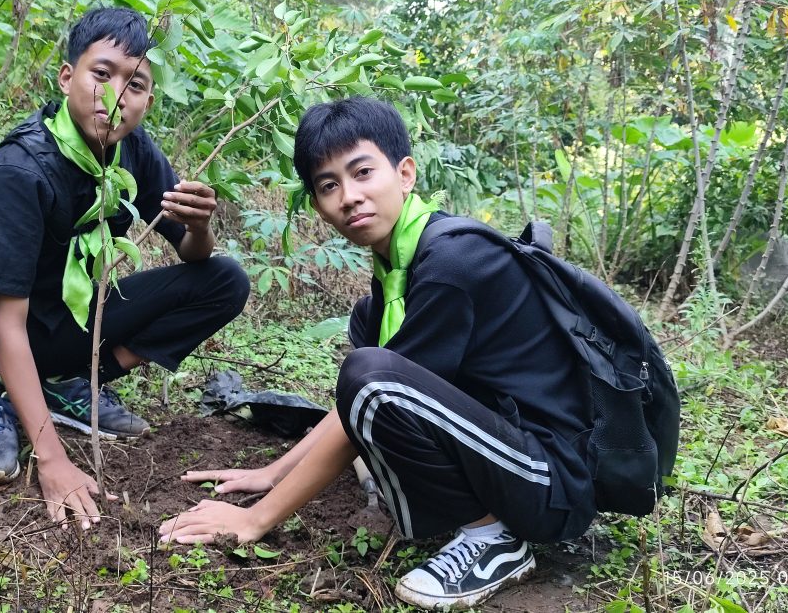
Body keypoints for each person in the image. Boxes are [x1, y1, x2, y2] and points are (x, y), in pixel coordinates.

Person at [159, 97, 596, 610]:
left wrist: (256, 518)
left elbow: (375, 393)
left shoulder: (454, 262)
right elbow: (363, 407)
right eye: (328, 185)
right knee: (369, 328)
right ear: (317, 204)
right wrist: (270, 472)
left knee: (369, 373)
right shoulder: (400, 265)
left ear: (405, 173)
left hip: (551, 484)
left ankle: (494, 541)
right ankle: (468, 512)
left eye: (363, 172)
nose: (349, 197)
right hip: (512, 452)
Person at [0, 7, 249, 528]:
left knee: (225, 278)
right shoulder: (23, 169)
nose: (117, 94)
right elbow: (6, 321)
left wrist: (199, 228)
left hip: (66, 324)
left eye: (136, 84)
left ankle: (68, 383)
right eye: (102, 74)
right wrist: (53, 460)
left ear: (148, 99)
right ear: (67, 76)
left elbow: (193, 257)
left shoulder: (132, 150)